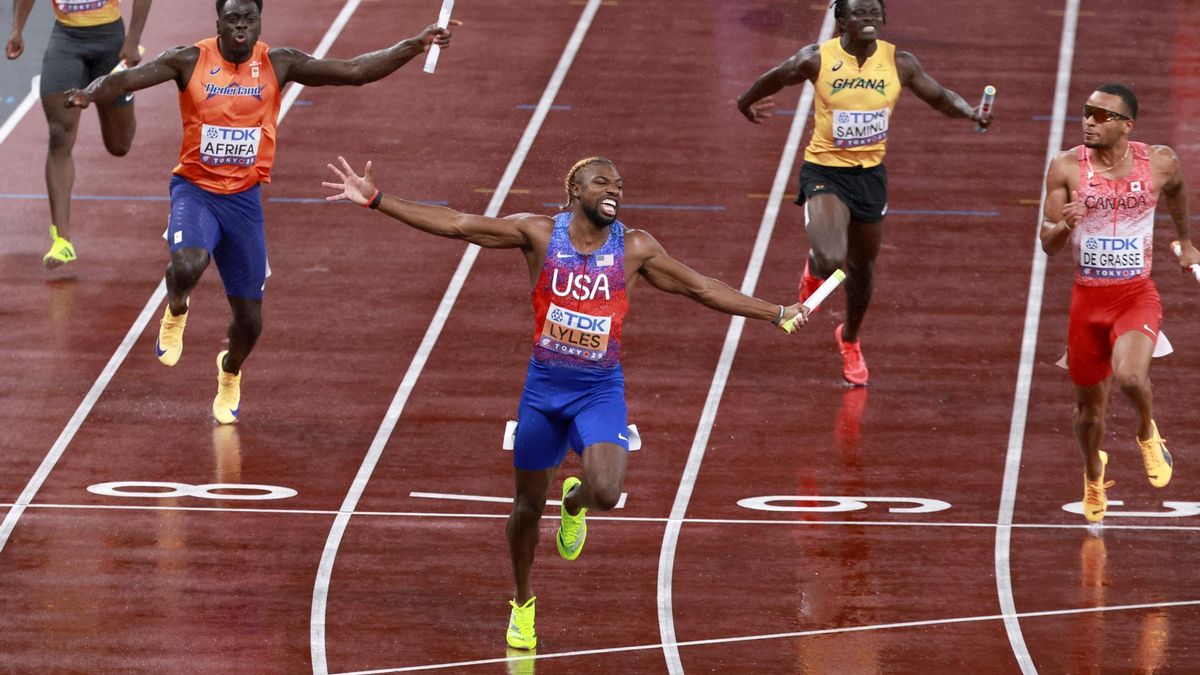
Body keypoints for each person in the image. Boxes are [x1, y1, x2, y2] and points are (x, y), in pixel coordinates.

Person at [321, 155, 808, 649]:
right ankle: (523, 601)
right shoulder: (537, 233)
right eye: (602, 182)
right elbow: (457, 224)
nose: (614, 189)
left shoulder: (635, 248)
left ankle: (574, 504)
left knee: (606, 491)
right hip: (544, 391)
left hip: (599, 389)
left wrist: (776, 313)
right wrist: (377, 200)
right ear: (575, 190)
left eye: (619, 183)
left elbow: (701, 288)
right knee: (526, 509)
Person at [62, 0, 457, 423]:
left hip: (244, 203)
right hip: (195, 191)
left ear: (258, 23)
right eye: (233, 19)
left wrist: (414, 45)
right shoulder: (188, 59)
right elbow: (129, 79)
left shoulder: (278, 62)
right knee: (188, 263)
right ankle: (177, 308)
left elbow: (355, 71)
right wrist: (89, 92)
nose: (241, 27)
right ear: (218, 22)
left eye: (249, 20)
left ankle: (229, 370)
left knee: (250, 322)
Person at [735, 0, 992, 386]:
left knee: (862, 267)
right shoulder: (816, 59)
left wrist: (970, 112)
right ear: (840, 22)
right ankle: (814, 268)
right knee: (831, 256)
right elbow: (777, 76)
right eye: (859, 12)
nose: (869, 18)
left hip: (870, 177)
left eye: (875, 12)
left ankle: (850, 339)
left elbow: (939, 97)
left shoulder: (899, 63)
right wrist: (745, 103)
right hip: (825, 171)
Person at [1041, 83, 1198, 523]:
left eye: (1101, 115)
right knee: (1089, 415)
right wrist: (1065, 227)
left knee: (1130, 377)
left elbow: (1179, 190)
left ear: (1127, 125)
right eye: (1087, 113)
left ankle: (1148, 433)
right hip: (1087, 301)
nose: (1089, 121)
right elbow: (1047, 243)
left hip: (1135, 295)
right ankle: (1094, 474)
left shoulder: (1160, 161)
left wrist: (1186, 242)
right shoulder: (1067, 167)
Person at [6, 0, 152, 268]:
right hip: (66, 41)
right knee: (59, 135)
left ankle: (125, 92)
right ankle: (62, 241)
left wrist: (133, 39)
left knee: (119, 145)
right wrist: (17, 29)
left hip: (111, 42)